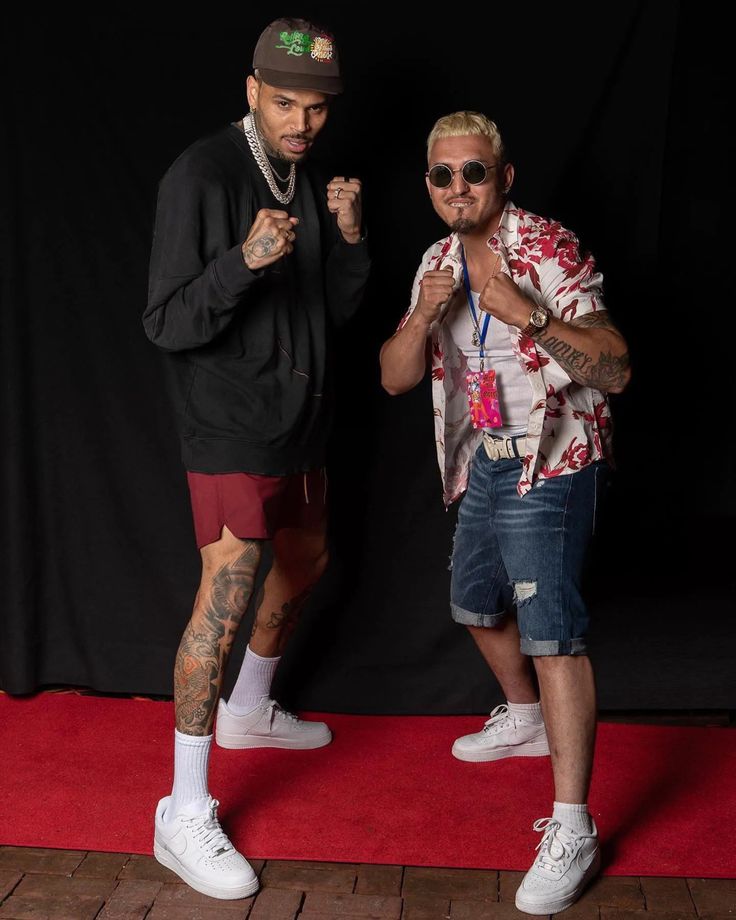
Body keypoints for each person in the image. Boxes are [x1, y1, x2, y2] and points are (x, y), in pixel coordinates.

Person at [380, 111, 629, 915]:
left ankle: (573, 826)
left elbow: (617, 368)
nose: (458, 188)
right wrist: (424, 312)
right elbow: (392, 378)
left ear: (504, 177)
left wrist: (531, 314)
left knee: (553, 633)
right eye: (443, 176)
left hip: (553, 457)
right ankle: (524, 716)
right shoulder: (435, 260)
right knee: (474, 602)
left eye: (474, 172)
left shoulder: (549, 250)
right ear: (429, 186)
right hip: (487, 457)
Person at [143, 18, 369, 901]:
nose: (302, 123)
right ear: (250, 91)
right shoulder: (201, 175)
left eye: (315, 108)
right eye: (285, 103)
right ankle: (183, 809)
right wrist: (240, 262)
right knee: (228, 593)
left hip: (303, 416)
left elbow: (337, 314)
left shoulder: (304, 175)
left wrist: (347, 239)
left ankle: (248, 711)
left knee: (308, 561)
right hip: (229, 421)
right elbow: (165, 322)